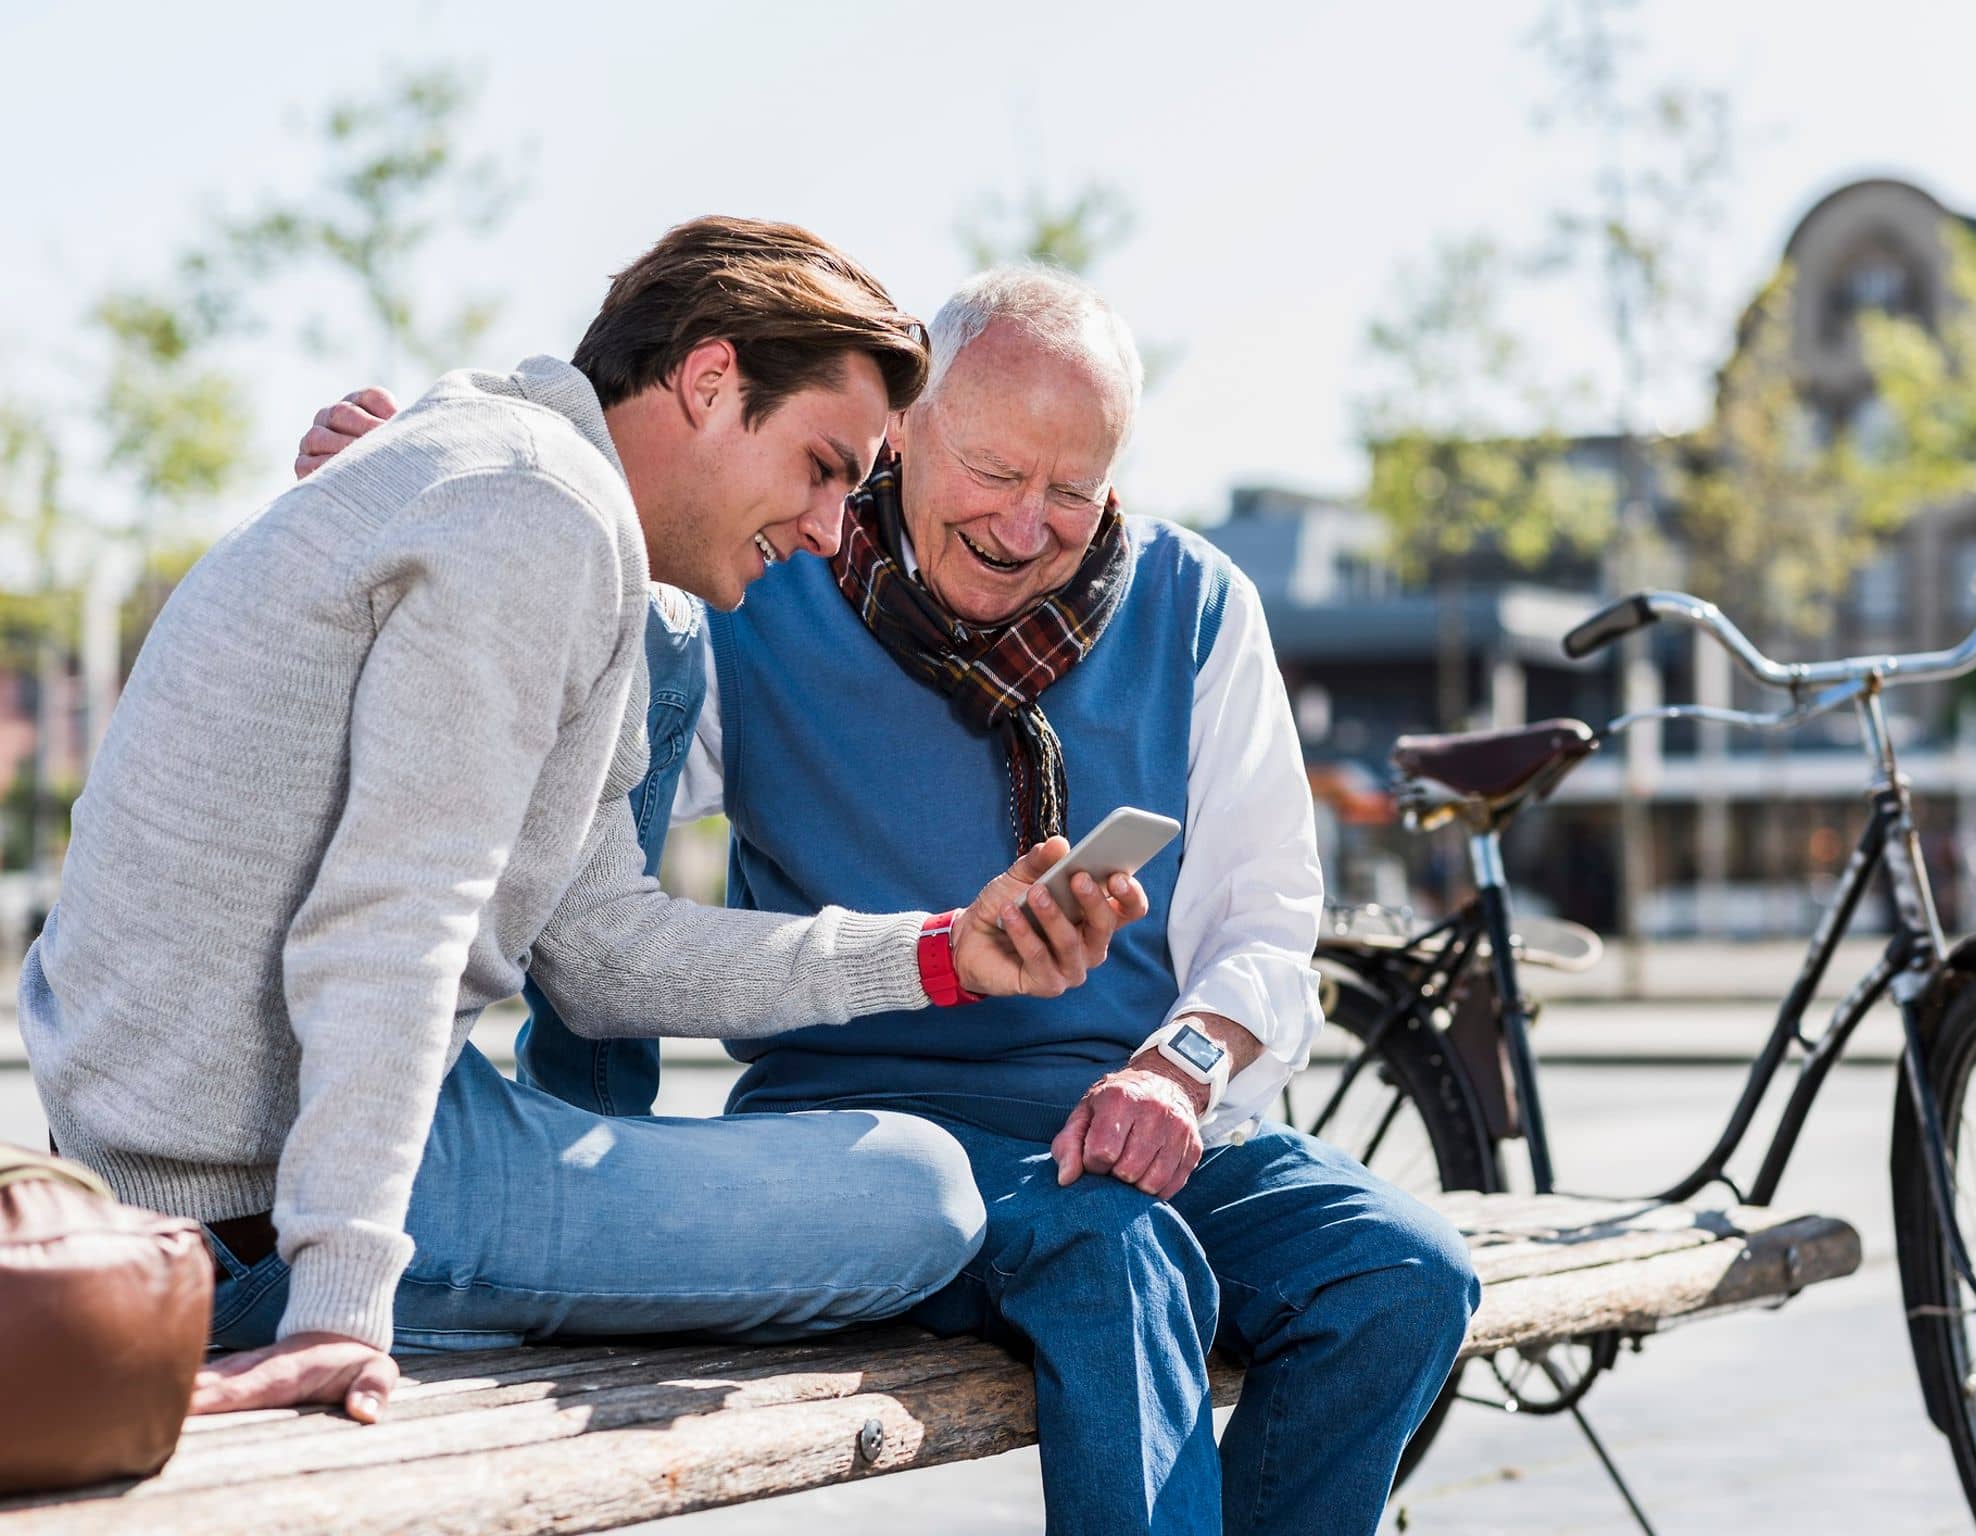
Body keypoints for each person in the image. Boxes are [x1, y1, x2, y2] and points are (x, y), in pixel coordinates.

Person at [304, 266, 1475, 1534]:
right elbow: (577, 761)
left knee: (1405, 1278)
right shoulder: (755, 580)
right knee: (1113, 1258)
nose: (1027, 524)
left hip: (1132, 1119)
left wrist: (1175, 1073)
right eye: (993, 471)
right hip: (862, 1134)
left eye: (1071, 490)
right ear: (904, 427)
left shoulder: (1197, 608)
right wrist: (427, 495)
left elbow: (1262, 925)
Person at [25, 218, 1144, 1430]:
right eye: (824, 466)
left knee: (668, 643)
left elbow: (603, 954)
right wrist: (341, 1299)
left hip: (217, 1158)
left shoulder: (500, 463)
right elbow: (393, 916)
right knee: (921, 1192)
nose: (831, 529)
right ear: (710, 382)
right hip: (264, 1214)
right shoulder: (540, 519)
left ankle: (578, 1160)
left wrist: (938, 954)